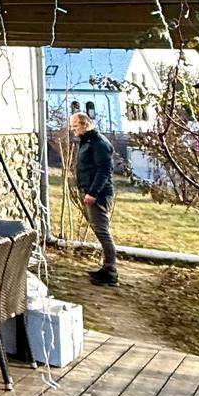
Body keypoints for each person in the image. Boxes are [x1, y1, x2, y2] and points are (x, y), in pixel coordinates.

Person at [71, 108, 118, 285]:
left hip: (98, 194)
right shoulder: (87, 141)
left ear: (85, 124)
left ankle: (111, 272)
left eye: (75, 126)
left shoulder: (98, 143)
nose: (73, 129)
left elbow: (105, 169)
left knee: (102, 231)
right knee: (100, 230)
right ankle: (106, 268)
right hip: (90, 191)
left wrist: (93, 192)